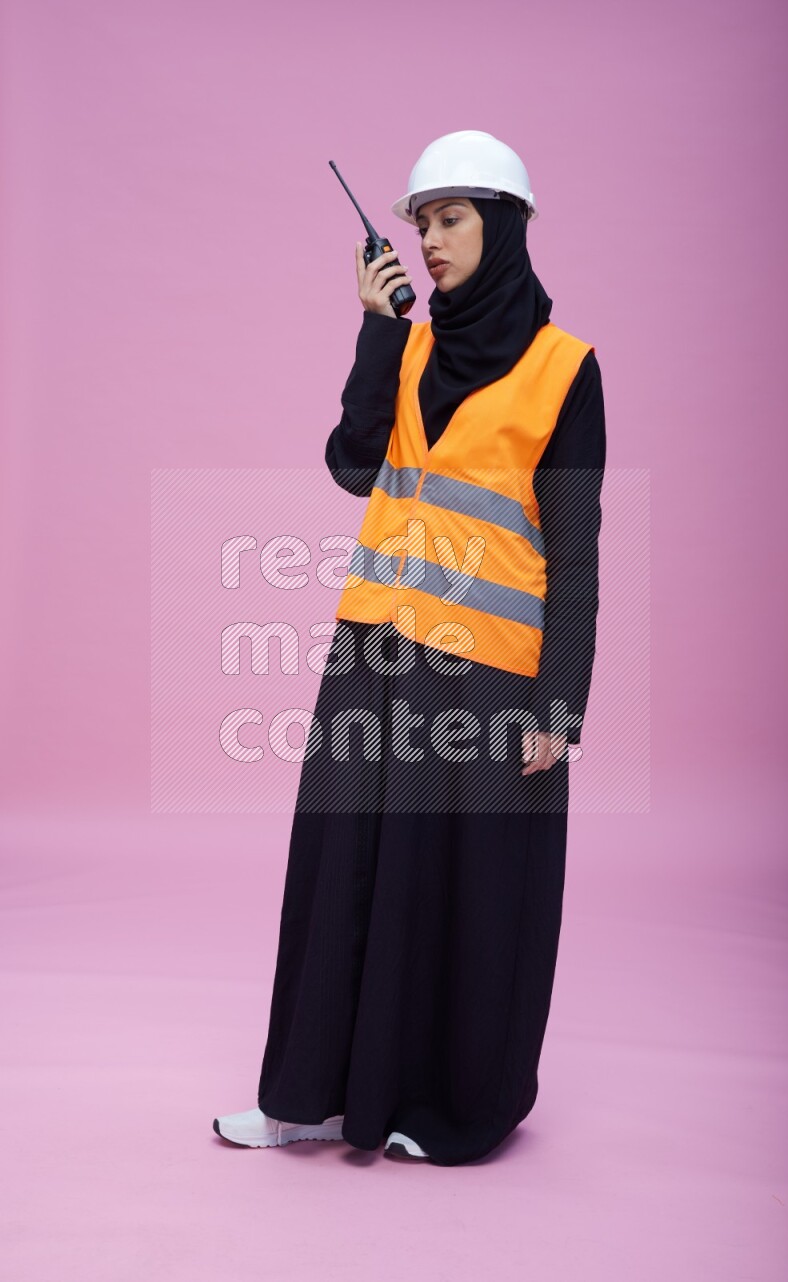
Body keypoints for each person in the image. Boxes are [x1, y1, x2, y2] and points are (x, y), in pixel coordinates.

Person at [213, 131, 606, 1167]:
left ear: (504, 225)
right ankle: (306, 1096)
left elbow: (574, 551)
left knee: (457, 893)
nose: (427, 241)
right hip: (372, 654)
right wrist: (373, 330)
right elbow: (352, 463)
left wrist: (557, 708)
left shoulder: (566, 370)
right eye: (418, 222)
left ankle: (443, 1108)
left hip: (487, 677)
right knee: (340, 873)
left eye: (449, 219)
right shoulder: (409, 342)